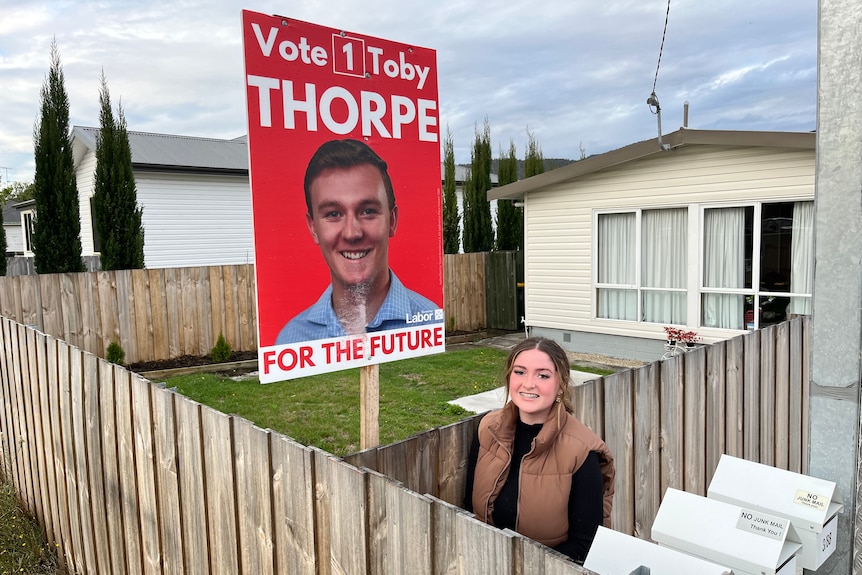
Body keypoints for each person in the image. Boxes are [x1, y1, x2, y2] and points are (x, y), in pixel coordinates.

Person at [463, 337, 615, 564]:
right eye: (520, 372)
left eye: (542, 375)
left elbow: (584, 545)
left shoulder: (581, 451)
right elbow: (468, 507)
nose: (528, 384)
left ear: (561, 384)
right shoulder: (489, 429)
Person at [276, 138, 441, 345]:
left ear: (392, 221)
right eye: (334, 213)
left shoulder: (432, 325)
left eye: (368, 211)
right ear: (313, 228)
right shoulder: (290, 340)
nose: (352, 233)